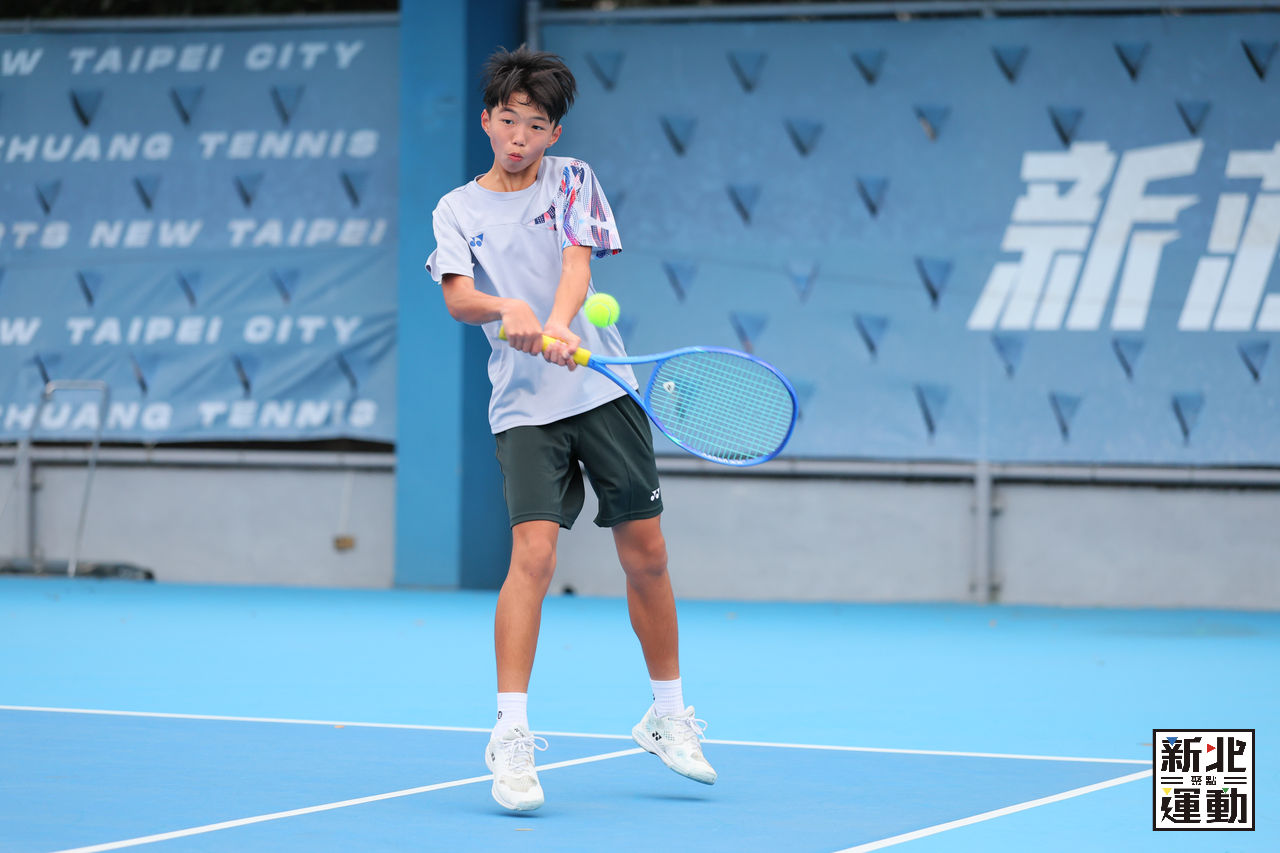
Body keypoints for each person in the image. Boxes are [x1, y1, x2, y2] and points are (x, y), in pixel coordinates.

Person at [425, 46, 717, 812]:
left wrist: (556, 322)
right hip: (525, 408)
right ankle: (511, 734)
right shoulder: (456, 210)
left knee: (647, 555)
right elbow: (459, 299)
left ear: (554, 134)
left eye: (536, 125)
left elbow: (577, 267)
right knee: (534, 556)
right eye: (508, 120)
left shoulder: (573, 179)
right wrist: (507, 309)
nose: (519, 137)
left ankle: (667, 714)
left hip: (602, 388)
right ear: (486, 121)